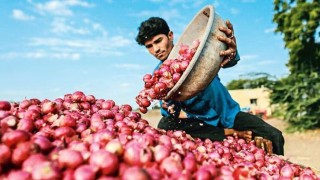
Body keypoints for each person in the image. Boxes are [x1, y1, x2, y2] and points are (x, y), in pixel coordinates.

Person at [135, 16, 285, 155]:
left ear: (170, 35)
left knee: (275, 136)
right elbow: (171, 116)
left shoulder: (194, 52)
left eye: (158, 41)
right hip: (202, 124)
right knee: (165, 124)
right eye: (149, 46)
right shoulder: (159, 77)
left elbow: (227, 60)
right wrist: (169, 104)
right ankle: (229, 133)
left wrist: (231, 50)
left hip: (230, 115)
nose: (156, 49)